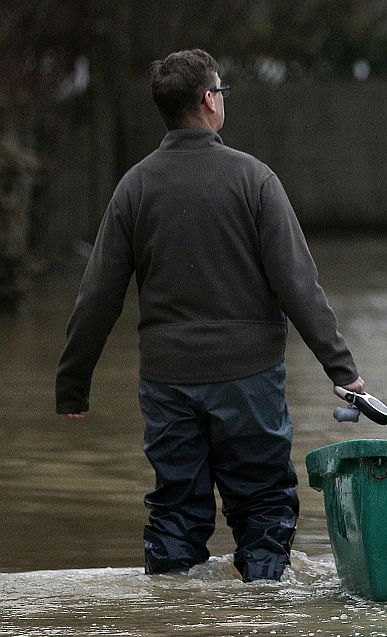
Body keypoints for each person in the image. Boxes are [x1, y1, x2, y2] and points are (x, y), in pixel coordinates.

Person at [55, 49, 365, 582]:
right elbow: (299, 286)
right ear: (208, 101)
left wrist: (73, 385)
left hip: (167, 380)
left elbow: (99, 294)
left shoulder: (135, 187)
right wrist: (343, 372)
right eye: (221, 91)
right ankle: (262, 620)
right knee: (263, 507)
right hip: (248, 379)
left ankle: (176, 629)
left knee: (175, 513)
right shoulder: (255, 180)